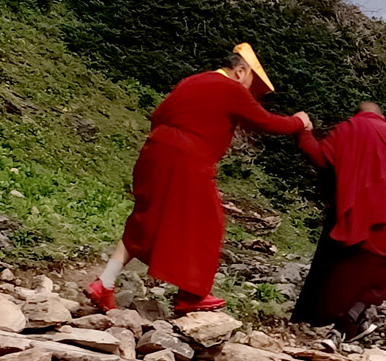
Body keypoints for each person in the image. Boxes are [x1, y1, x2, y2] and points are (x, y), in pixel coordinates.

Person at [88, 43, 311, 316]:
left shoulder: (192, 81)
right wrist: (299, 121)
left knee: (144, 220)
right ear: (241, 71)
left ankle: (105, 283)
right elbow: (268, 123)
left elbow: (159, 114)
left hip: (155, 150)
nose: (251, 94)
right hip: (187, 157)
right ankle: (191, 295)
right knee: (208, 222)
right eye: (252, 87)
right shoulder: (229, 87)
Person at [292, 100, 386, 334]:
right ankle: (348, 322)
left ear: (357, 114)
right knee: (374, 272)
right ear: (382, 117)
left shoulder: (349, 128)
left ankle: (318, 322)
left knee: (338, 269)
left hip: (353, 210)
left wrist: (305, 133)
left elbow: (320, 157)